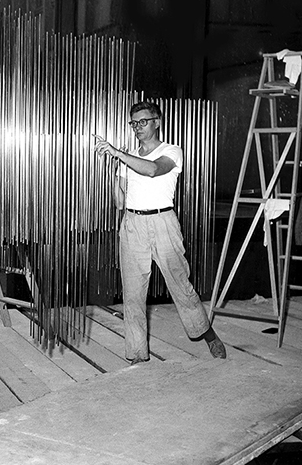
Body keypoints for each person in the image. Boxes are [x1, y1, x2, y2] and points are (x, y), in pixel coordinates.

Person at [94, 101, 226, 364]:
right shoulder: (127, 157)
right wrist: (112, 172)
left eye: (143, 122)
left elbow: (153, 170)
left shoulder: (171, 151)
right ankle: (137, 356)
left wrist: (118, 154)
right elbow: (120, 202)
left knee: (180, 284)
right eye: (133, 123)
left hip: (163, 221)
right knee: (132, 294)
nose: (137, 128)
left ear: (157, 122)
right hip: (132, 225)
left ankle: (208, 335)